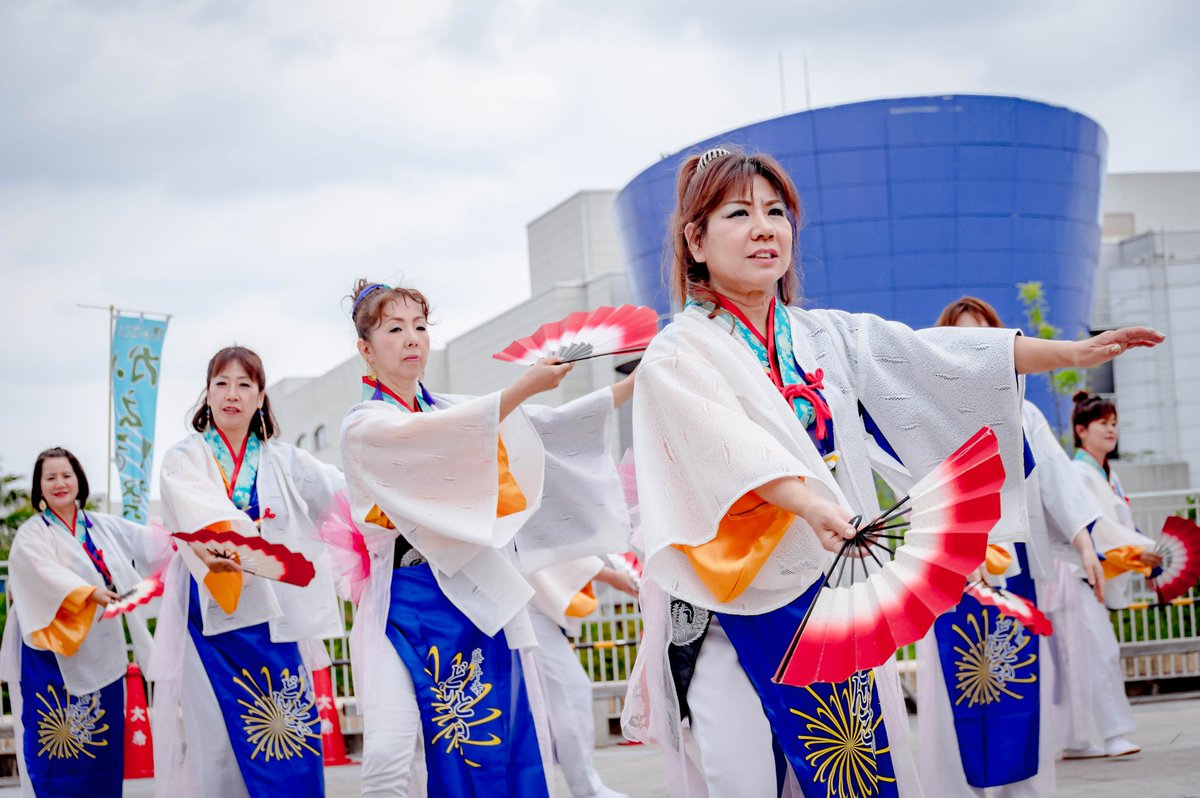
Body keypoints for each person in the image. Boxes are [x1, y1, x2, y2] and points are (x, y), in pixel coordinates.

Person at [621, 146, 1163, 798]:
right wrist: (813, 503)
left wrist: (1070, 352)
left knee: (848, 769)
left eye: (775, 211)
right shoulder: (679, 351)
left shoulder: (825, 335)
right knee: (742, 778)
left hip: (826, 591)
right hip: (725, 606)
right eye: (738, 213)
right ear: (695, 239)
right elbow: (727, 447)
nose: (765, 227)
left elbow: (935, 357)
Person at [339, 280, 633, 798]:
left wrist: (629, 386)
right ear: (366, 349)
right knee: (388, 753)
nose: (412, 339)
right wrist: (522, 388)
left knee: (494, 740)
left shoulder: (447, 408)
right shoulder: (365, 424)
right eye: (394, 329)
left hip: (472, 594)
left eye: (420, 327)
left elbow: (540, 428)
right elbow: (444, 438)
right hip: (402, 604)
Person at [913, 296, 1107, 797]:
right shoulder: (922, 417)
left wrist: (1086, 544)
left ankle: (1023, 790)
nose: (972, 352)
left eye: (983, 340)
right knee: (953, 682)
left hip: (1010, 566)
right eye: (960, 341)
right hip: (949, 571)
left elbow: (1058, 482)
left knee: (1015, 676)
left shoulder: (1026, 414)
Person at [150, 346, 346, 798]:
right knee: (217, 737)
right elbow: (196, 516)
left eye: (244, 385)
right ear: (207, 394)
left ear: (261, 398)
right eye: (221, 384)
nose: (232, 394)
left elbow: (339, 490)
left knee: (288, 728)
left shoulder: (286, 460)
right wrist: (243, 541)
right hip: (211, 608)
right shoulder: (184, 458)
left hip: (275, 612)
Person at [0, 448, 160, 798]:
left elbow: (148, 543)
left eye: (66, 475)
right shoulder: (31, 534)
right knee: (56, 753)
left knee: (102, 753)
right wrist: (88, 592)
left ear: (79, 480)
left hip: (102, 647)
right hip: (50, 656)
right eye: (50, 477)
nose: (60, 483)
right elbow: (40, 573)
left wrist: (192, 541)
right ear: (39, 487)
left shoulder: (102, 526)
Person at [1052, 391, 1162, 758]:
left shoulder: (1103, 474)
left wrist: (1141, 557)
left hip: (1088, 571)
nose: (1111, 430)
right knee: (1098, 652)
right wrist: (1144, 554)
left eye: (1114, 423)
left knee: (1080, 657)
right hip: (1074, 571)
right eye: (1103, 423)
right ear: (1081, 430)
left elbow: (1114, 528)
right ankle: (1112, 734)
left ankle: (1077, 739)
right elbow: (1100, 527)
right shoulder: (1079, 472)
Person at [527, 558, 638, 798]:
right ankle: (587, 788)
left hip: (524, 599)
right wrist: (612, 576)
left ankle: (584, 787)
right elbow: (556, 548)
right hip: (524, 601)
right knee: (570, 692)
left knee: (561, 696)